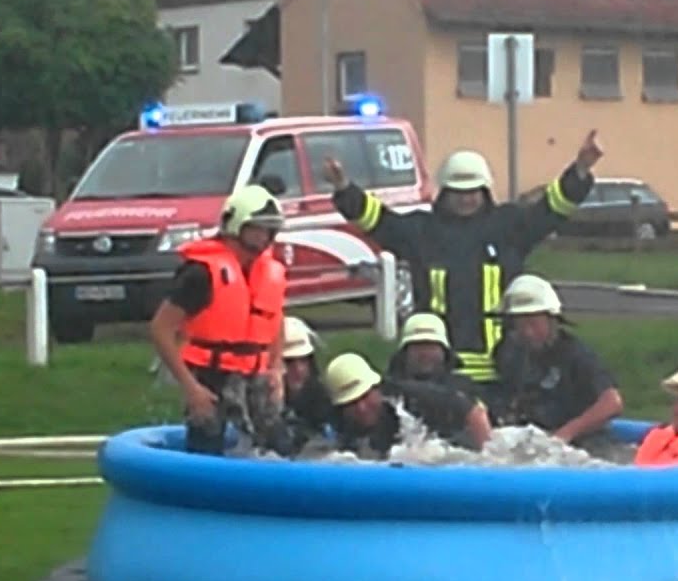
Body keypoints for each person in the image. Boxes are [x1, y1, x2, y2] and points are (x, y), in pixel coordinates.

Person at [323, 131, 604, 391]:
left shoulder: (509, 227)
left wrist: (580, 169)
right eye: (458, 192)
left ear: (485, 191)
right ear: (445, 192)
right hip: (437, 369)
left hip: (504, 368)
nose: (466, 199)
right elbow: (377, 220)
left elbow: (552, 208)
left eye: (473, 191)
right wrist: (343, 187)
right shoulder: (422, 231)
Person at [150, 184, 288, 456]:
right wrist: (192, 388)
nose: (264, 237)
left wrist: (276, 368)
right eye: (257, 228)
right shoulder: (201, 273)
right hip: (209, 375)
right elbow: (160, 329)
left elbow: (275, 321)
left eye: (269, 230)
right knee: (206, 447)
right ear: (235, 225)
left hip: (256, 376)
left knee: (278, 448)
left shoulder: (268, 272)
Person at [491, 274, 624, 453]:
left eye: (534, 324)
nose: (528, 332)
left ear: (552, 320)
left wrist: (564, 435)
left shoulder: (574, 354)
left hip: (582, 445)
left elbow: (612, 403)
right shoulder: (509, 353)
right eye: (520, 325)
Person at [322, 352, 493, 460]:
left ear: (377, 388)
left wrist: (488, 460)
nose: (361, 408)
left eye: (365, 397)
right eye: (351, 403)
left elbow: (475, 412)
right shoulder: (335, 423)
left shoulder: (411, 399)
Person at [386, 312, 481, 399]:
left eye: (431, 347)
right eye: (418, 346)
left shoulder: (464, 391)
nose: (425, 353)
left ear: (444, 352)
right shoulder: (387, 392)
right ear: (404, 352)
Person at [276, 315, 334, 455]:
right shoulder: (258, 403)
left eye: (303, 360)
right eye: (289, 361)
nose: (299, 369)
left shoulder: (323, 401)